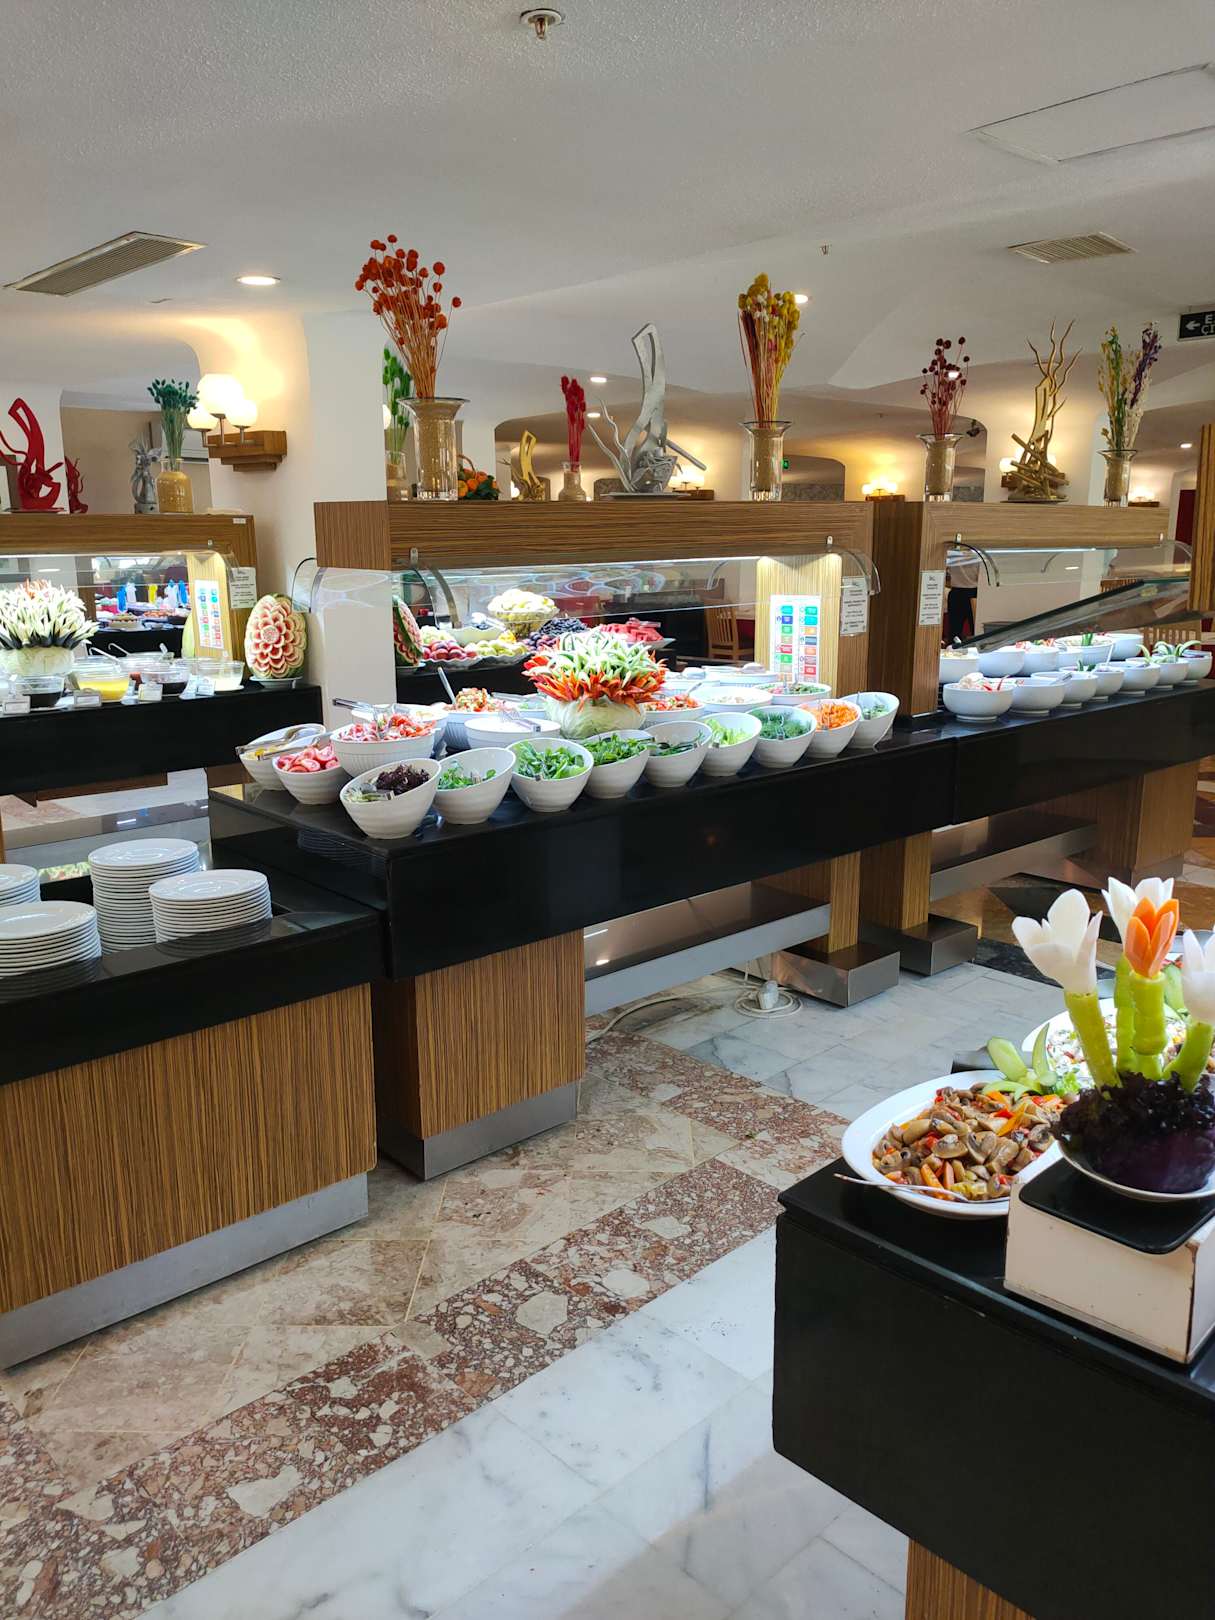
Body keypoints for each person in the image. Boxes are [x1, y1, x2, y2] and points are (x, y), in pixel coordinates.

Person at [945, 557, 979, 643]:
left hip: (956, 593)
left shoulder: (954, 554)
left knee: (954, 630)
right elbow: (980, 576)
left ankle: (953, 649)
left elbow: (946, 567)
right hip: (974, 593)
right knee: (976, 629)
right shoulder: (977, 555)